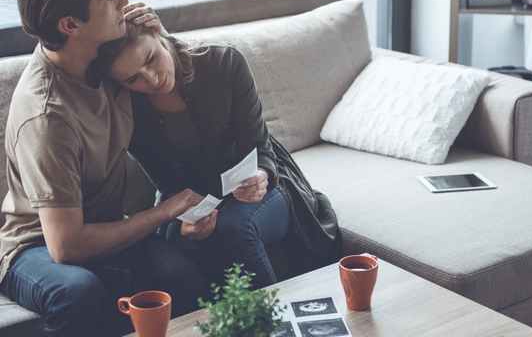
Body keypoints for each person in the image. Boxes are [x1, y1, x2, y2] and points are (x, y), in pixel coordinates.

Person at [0, 0, 209, 336]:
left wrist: (158, 35)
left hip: (105, 227)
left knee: (180, 273)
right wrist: (164, 211)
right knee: (78, 291)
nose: (122, 1)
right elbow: (66, 246)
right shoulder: (46, 114)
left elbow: (175, 76)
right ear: (70, 26)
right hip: (34, 246)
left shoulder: (104, 59)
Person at [91, 20, 343, 289]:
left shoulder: (223, 61)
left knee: (234, 227)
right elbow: (167, 183)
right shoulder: (127, 108)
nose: (151, 78)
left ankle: (267, 326)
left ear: (157, 33)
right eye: (133, 79)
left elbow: (260, 150)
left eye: (151, 59)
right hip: (194, 195)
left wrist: (260, 176)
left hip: (265, 183)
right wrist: (186, 218)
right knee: (179, 238)